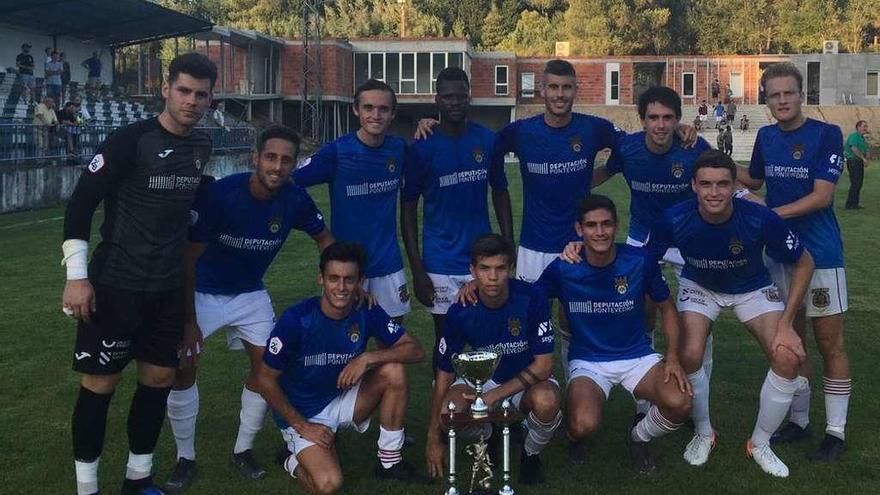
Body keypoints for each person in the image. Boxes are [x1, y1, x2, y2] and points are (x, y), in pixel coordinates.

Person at [61, 53, 217, 495]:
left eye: (200, 94)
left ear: (209, 100)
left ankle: (138, 480)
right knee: (99, 387)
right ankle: (87, 488)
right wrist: (77, 277)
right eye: (183, 90)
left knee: (159, 383)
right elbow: (80, 204)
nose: (190, 101)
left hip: (166, 290)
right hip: (115, 286)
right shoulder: (129, 140)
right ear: (165, 89)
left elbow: (190, 194)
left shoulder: (202, 146)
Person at [162, 125, 334, 493]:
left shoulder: (296, 198)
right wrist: (188, 319)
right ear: (255, 158)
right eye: (271, 157)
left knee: (266, 369)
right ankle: (185, 457)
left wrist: (340, 280)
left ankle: (243, 450)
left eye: (286, 160)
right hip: (202, 293)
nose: (277, 166)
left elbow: (325, 238)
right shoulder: (220, 195)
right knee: (182, 366)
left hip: (250, 294)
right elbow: (187, 260)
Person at [648, 150, 813, 477]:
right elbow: (645, 263)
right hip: (700, 286)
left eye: (723, 184)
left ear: (734, 185)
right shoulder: (673, 218)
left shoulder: (759, 217)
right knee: (690, 353)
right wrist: (665, 304)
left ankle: (760, 443)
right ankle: (704, 432)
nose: (714, 192)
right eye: (706, 184)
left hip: (752, 287)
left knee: (787, 357)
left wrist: (786, 323)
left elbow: (805, 261)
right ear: (693, 185)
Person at [738, 63, 851, 462]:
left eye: (789, 93)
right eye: (774, 95)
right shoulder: (766, 136)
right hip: (780, 255)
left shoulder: (826, 134)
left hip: (821, 256)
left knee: (828, 343)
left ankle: (835, 432)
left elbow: (822, 196)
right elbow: (751, 181)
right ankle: (800, 422)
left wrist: (769, 214)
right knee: (792, 338)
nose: (782, 100)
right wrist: (701, 153)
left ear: (801, 95)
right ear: (765, 99)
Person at [257, 241, 432, 494]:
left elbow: (416, 350)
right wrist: (302, 426)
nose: (341, 287)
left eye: (349, 279)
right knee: (329, 485)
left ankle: (389, 463)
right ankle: (291, 459)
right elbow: (264, 380)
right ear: (321, 279)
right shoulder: (296, 320)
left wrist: (367, 358)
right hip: (304, 414)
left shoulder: (366, 310)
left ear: (359, 281)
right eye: (334, 278)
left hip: (344, 398)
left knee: (394, 370)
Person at [537, 194, 693, 474]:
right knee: (582, 425)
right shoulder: (564, 267)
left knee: (680, 403)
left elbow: (668, 309)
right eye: (591, 225)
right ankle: (576, 437)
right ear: (579, 229)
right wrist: (479, 287)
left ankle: (639, 437)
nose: (599, 232)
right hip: (589, 361)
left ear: (616, 225)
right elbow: (528, 300)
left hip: (637, 356)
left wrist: (671, 357)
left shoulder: (638, 261)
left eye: (606, 224)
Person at [591, 86, 714, 405]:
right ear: (642, 120)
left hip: (688, 241)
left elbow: (722, 180)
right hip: (643, 237)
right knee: (641, 312)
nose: (660, 125)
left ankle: (697, 400)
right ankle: (643, 395)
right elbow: (606, 171)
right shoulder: (628, 148)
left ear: (678, 120)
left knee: (696, 322)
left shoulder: (693, 146)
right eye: (653, 118)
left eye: (668, 118)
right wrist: (564, 188)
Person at [401, 67, 513, 370]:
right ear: (437, 99)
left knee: (488, 337)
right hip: (439, 262)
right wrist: (418, 268)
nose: (454, 102)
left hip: (482, 259)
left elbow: (500, 193)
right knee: (446, 340)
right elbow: (408, 208)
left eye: (460, 96)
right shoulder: (421, 148)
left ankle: (486, 409)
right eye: (448, 96)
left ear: (469, 98)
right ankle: (444, 412)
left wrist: (508, 244)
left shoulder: (487, 141)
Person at [425, 234, 560, 485]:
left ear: (510, 268)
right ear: (472, 270)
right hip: (482, 380)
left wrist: (491, 399)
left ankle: (530, 454)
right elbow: (444, 373)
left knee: (547, 401)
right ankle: (488, 434)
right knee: (448, 414)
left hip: (525, 381)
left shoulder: (533, 298)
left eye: (500, 268)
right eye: (485, 269)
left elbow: (544, 365)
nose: (493, 277)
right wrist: (434, 436)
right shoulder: (460, 310)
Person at [294, 79, 411, 320]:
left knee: (394, 340)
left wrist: (428, 124)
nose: (375, 115)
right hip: (346, 267)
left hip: (388, 264)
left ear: (392, 114)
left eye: (383, 109)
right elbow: (291, 182)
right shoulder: (336, 152)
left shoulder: (399, 149)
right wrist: (313, 223)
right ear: (356, 110)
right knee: (344, 340)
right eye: (368, 108)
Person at [843, 120, 870, 210]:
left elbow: (865, 149)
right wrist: (863, 158)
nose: (866, 128)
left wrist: (866, 157)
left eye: (866, 126)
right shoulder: (854, 136)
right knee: (855, 183)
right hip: (853, 161)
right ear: (858, 127)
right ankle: (849, 205)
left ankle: (855, 204)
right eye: (864, 126)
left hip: (858, 162)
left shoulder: (862, 138)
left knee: (859, 183)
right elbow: (854, 148)